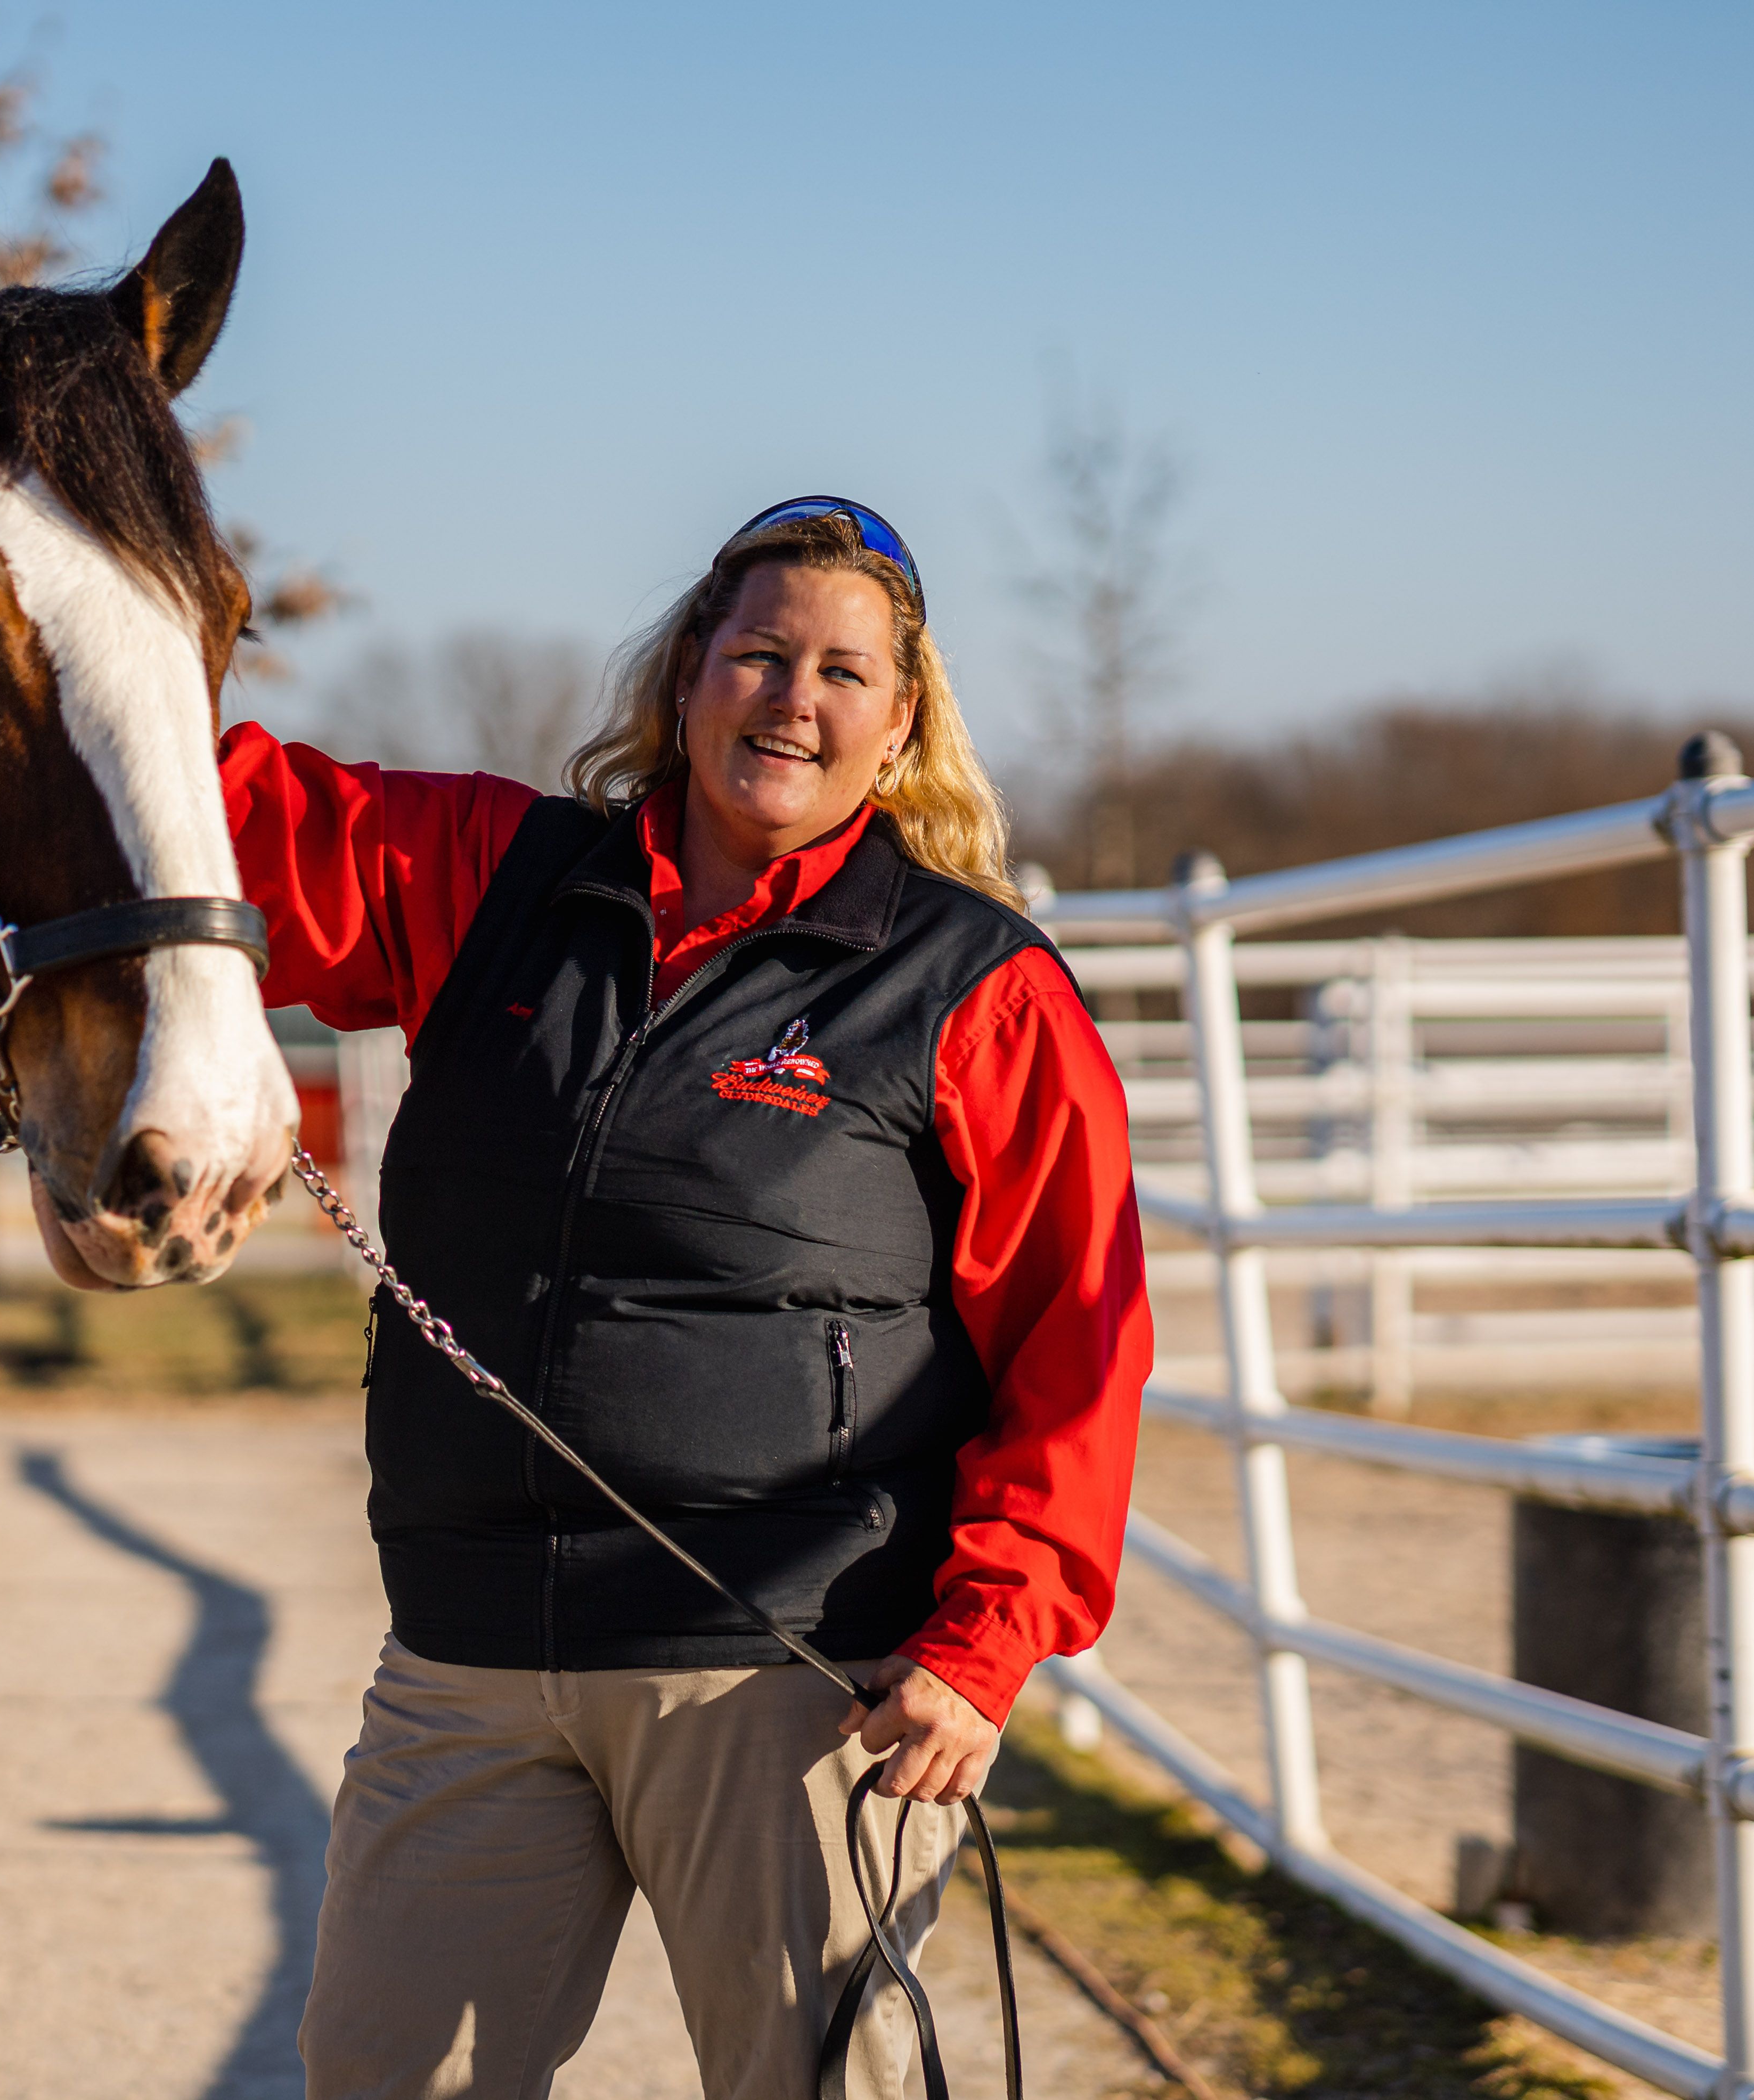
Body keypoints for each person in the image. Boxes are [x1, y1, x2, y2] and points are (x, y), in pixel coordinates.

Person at [223, 498, 1149, 2099]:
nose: (793, 698)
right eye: (760, 654)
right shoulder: (486, 878)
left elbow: (1077, 1342)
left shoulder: (971, 984)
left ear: (899, 722)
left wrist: (987, 1642)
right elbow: (192, 793)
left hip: (789, 1675)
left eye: (842, 672)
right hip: (466, 1656)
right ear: (684, 677)